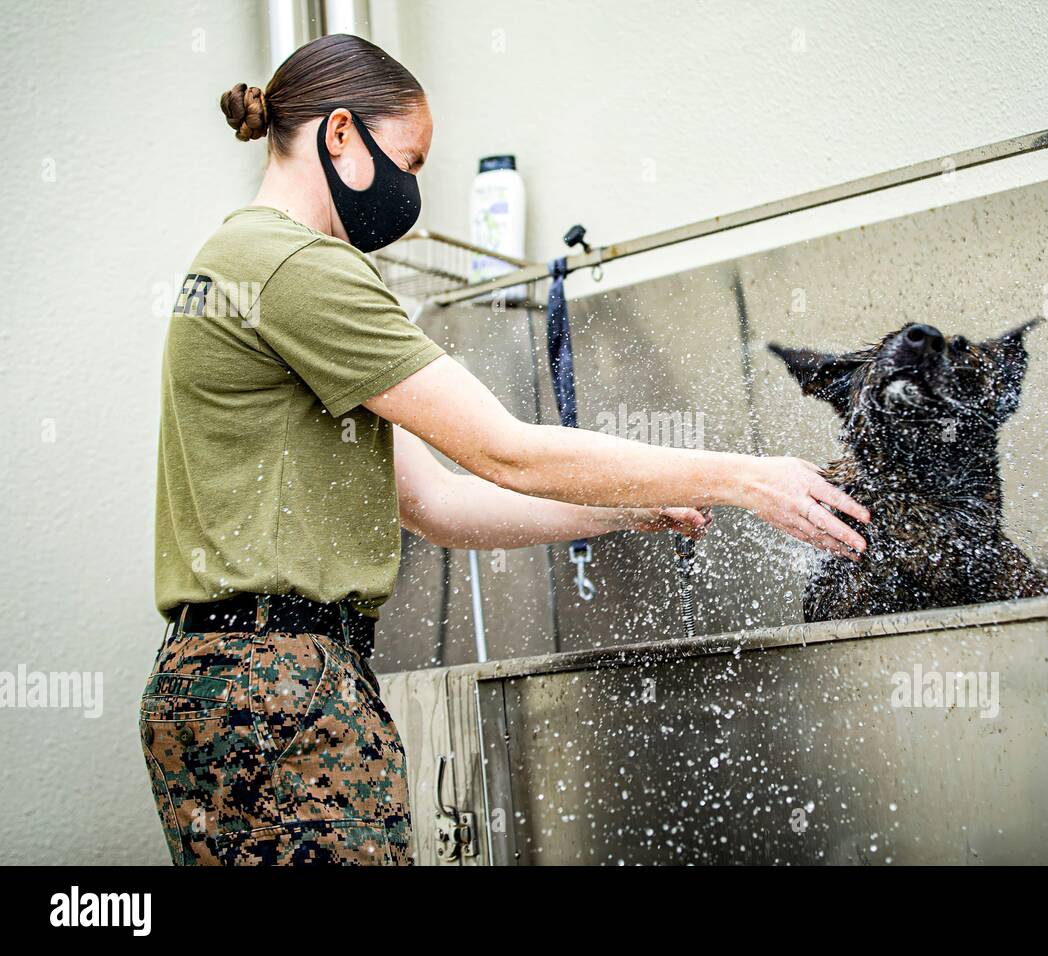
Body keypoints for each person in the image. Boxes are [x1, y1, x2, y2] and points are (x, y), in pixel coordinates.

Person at [142, 33, 871, 866]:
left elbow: (437, 505)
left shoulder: (238, 260)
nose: (408, 189)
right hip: (280, 687)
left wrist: (624, 507)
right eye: (408, 162)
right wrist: (746, 476)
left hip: (224, 681)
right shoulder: (298, 267)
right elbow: (507, 449)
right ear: (339, 133)